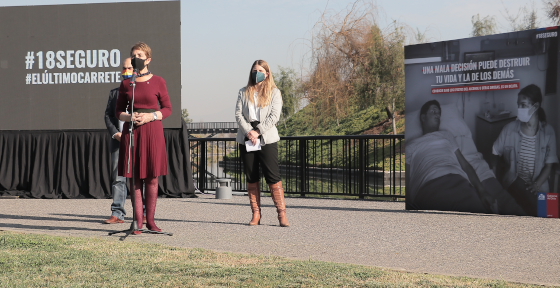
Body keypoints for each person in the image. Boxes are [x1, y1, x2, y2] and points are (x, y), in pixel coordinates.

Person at [115, 42, 172, 233]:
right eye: (133, 55)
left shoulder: (158, 81)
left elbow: (167, 109)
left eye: (139, 55)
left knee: (152, 178)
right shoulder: (126, 84)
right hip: (133, 133)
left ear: (148, 59)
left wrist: (151, 116)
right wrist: (130, 117)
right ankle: (137, 222)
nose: (135, 58)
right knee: (135, 180)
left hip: (152, 132)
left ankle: (151, 221)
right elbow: (118, 112)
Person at [406, 100, 498, 213]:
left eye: (439, 113)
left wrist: (482, 191)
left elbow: (464, 164)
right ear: (423, 117)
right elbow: (406, 179)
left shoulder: (447, 135)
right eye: (433, 111)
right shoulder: (411, 145)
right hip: (428, 186)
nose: (438, 115)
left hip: (459, 182)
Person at [235, 59, 289, 227]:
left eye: (259, 70)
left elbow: (274, 116)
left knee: (272, 176)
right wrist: (249, 132)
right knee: (251, 176)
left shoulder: (274, 92)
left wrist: (257, 131)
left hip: (266, 137)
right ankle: (256, 214)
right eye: (254, 70)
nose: (256, 73)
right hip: (246, 138)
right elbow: (238, 114)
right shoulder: (243, 92)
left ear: (267, 73)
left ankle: (281, 214)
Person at [492, 84, 558, 216]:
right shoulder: (509, 129)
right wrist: (495, 180)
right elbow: (495, 152)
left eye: (523, 105)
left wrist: (536, 185)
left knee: (550, 214)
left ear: (536, 106)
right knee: (533, 211)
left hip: (540, 185)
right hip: (515, 181)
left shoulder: (548, 132)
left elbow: (549, 167)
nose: (519, 109)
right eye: (518, 105)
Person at [103, 57, 133, 224]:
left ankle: (142, 213)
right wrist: (116, 134)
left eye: (129, 68)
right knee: (118, 178)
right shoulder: (114, 93)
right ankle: (117, 213)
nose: (125, 71)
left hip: (137, 141)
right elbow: (107, 116)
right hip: (118, 141)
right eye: (123, 68)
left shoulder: (141, 93)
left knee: (140, 178)